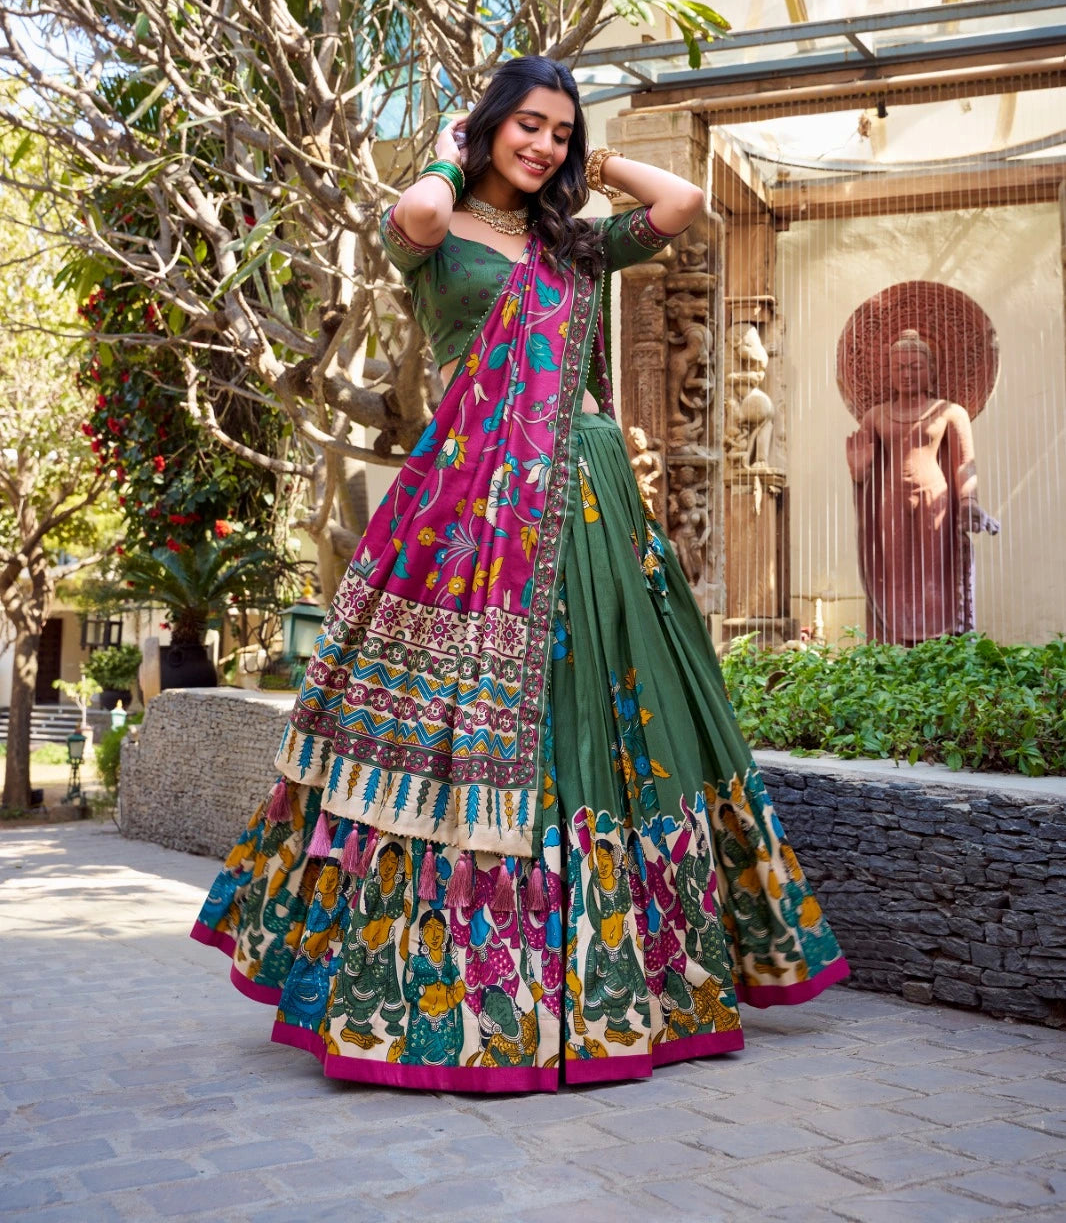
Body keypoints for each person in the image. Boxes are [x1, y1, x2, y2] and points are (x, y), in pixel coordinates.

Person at [193, 55, 848, 1091]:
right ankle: (457, 985)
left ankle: (625, 983)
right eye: (527, 126)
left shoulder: (575, 246)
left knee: (603, 706)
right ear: (489, 125)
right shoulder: (436, 234)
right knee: (465, 720)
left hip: (585, 499)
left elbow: (680, 204)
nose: (543, 145)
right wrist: (455, 153)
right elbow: (410, 212)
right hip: (475, 505)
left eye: (559, 132)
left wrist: (598, 159)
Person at [846, 328, 1000, 644]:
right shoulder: (877, 416)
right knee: (895, 572)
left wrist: (969, 501)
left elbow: (964, 463)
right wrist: (859, 472)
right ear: (889, 373)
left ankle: (941, 639)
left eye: (915, 366)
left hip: (936, 496)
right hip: (891, 498)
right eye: (899, 367)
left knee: (935, 572)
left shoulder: (950, 413)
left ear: (931, 371)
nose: (907, 374)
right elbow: (866, 468)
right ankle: (895, 639)